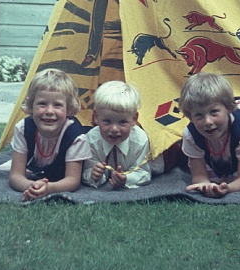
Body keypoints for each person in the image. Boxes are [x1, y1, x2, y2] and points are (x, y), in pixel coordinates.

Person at [9, 68, 91, 201]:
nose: (49, 111)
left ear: (69, 109)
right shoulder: (23, 129)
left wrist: (48, 188)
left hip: (59, 175)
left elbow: (73, 180)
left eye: (57, 105)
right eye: (42, 104)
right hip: (37, 174)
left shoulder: (75, 136)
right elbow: (15, 176)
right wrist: (32, 187)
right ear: (31, 106)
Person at [82, 80, 152, 189]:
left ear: (134, 119)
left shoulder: (140, 140)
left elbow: (144, 173)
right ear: (96, 117)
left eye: (122, 122)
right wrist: (94, 175)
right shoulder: (91, 140)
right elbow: (86, 171)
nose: (114, 129)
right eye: (107, 121)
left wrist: (127, 179)